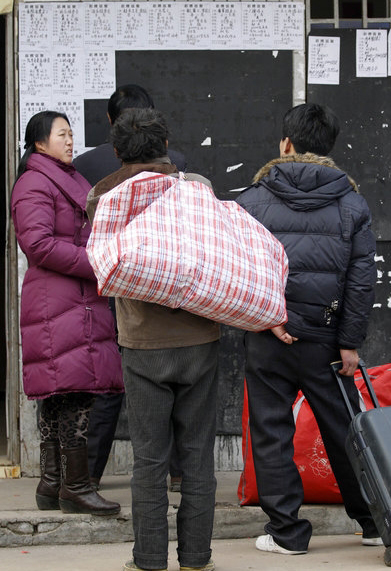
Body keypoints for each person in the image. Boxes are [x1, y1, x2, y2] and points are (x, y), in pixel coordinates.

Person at [236, 103, 380, 555]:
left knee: (271, 432)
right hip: (326, 341)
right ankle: (375, 522)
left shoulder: (250, 199)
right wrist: (350, 342)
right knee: (345, 431)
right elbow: (361, 280)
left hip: (268, 336)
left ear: (285, 145)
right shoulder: (352, 204)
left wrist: (265, 318)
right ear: (329, 148)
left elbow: (237, 272)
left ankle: (287, 534)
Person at [86, 107, 219, 571]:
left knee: (149, 459)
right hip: (200, 338)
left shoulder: (103, 195)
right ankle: (197, 560)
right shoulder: (197, 188)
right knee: (198, 455)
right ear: (166, 145)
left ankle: (149, 561)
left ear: (117, 150)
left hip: (142, 344)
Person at [11, 110, 124, 515]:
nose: (70, 141)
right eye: (62, 135)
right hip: (57, 298)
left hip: (72, 297)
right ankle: (75, 485)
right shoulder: (34, 183)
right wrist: (94, 261)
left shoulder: (65, 178)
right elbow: (38, 244)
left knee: (62, 392)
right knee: (72, 391)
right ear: (40, 142)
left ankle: (52, 483)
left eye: (72, 134)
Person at [74, 84, 186, 491]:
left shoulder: (85, 167)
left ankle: (88, 474)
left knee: (107, 386)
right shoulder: (182, 167)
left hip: (106, 290)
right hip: (170, 291)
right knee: (175, 387)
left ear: (110, 123)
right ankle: (178, 473)